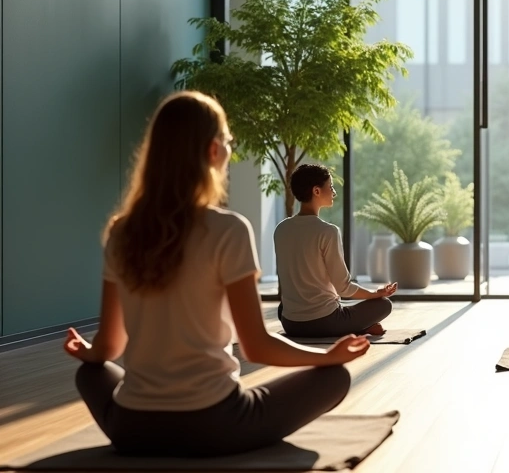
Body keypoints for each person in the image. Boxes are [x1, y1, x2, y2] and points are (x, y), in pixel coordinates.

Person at [64, 91, 370, 457]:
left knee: (90, 372)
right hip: (215, 425)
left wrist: (87, 351)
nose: (229, 150)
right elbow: (256, 346)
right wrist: (327, 357)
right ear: (212, 151)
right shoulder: (229, 230)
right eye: (227, 142)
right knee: (334, 378)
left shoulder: (122, 231)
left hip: (132, 427)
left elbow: (109, 347)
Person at [275, 164, 397, 338]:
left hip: (290, 323)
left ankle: (354, 327)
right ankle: (358, 328)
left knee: (285, 307)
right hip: (325, 322)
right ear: (316, 191)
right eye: (330, 187)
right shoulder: (328, 231)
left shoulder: (281, 229)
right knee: (384, 304)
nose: (334, 192)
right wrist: (375, 294)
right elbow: (343, 288)